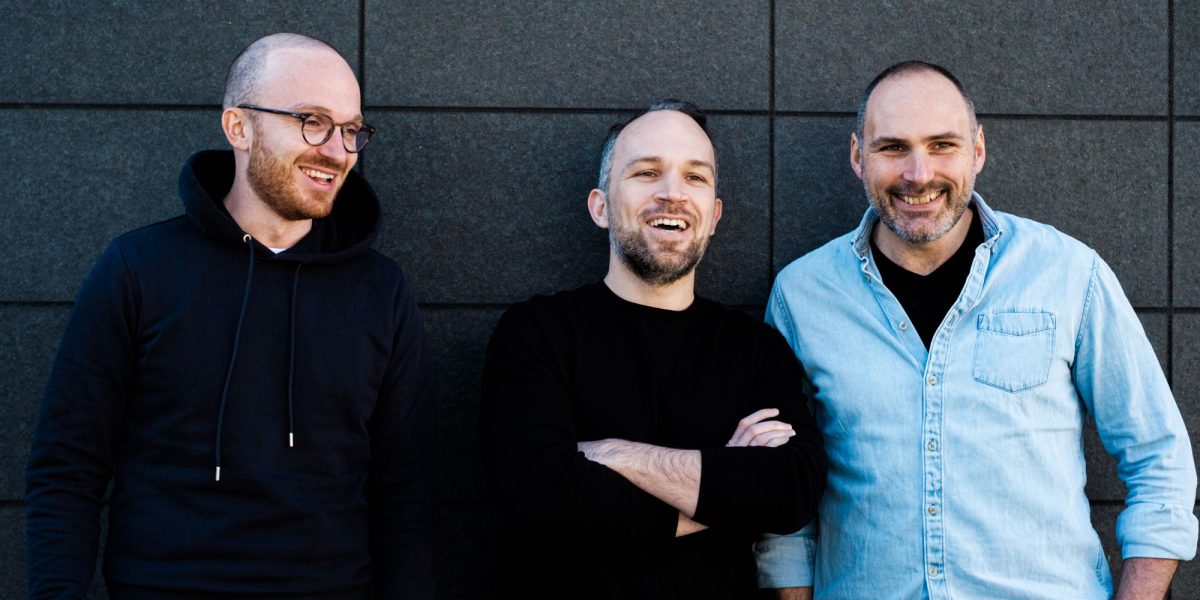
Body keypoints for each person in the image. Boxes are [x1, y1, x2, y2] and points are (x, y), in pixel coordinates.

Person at [757, 61, 1198, 599]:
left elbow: (1158, 458)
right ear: (858, 156)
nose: (918, 173)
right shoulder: (803, 295)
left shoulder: (1067, 274)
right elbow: (782, 490)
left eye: (942, 145)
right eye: (892, 148)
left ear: (978, 149)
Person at [25, 33, 435, 599]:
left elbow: (407, 488)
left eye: (350, 130)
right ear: (238, 127)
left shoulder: (380, 290)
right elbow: (68, 466)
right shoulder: (140, 269)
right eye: (312, 122)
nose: (338, 151)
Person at [480, 100, 827, 599]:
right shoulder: (536, 333)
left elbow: (792, 490)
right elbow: (540, 494)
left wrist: (617, 454)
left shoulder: (755, 349)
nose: (672, 193)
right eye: (646, 172)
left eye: (695, 177)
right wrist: (728, 482)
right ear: (601, 207)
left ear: (714, 216)